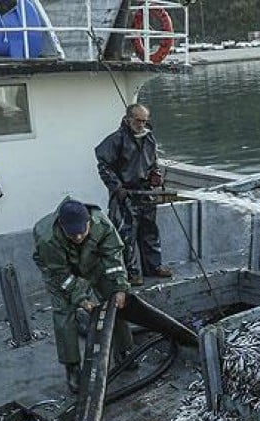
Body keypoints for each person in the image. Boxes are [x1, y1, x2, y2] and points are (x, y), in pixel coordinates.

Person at [33, 198, 135, 393]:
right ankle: (72, 367)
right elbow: (60, 274)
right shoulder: (47, 239)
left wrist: (120, 287)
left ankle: (124, 350)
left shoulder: (102, 225)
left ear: (89, 221)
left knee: (116, 302)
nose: (78, 237)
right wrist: (81, 299)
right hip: (60, 272)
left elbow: (114, 257)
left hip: (94, 264)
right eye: (72, 234)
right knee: (64, 315)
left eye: (82, 231)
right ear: (62, 227)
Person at [95, 103, 171, 285]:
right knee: (126, 235)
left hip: (145, 192)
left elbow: (153, 163)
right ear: (128, 119)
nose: (141, 124)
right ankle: (132, 273)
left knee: (150, 231)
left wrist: (155, 175)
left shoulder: (149, 138)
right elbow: (104, 166)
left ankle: (154, 267)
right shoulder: (116, 140)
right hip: (125, 195)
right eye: (138, 120)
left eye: (145, 121)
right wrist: (117, 187)